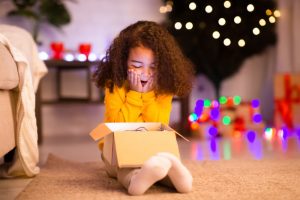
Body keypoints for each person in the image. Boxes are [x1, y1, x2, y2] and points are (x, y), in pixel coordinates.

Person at [93, 20, 194, 195]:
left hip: (151, 147)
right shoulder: (114, 85)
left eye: (153, 67)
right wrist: (134, 95)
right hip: (117, 151)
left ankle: (177, 177)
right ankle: (136, 180)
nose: (145, 73)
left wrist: (146, 95)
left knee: (159, 161)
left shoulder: (163, 89)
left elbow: (157, 125)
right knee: (124, 168)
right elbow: (118, 127)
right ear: (123, 61)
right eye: (137, 66)